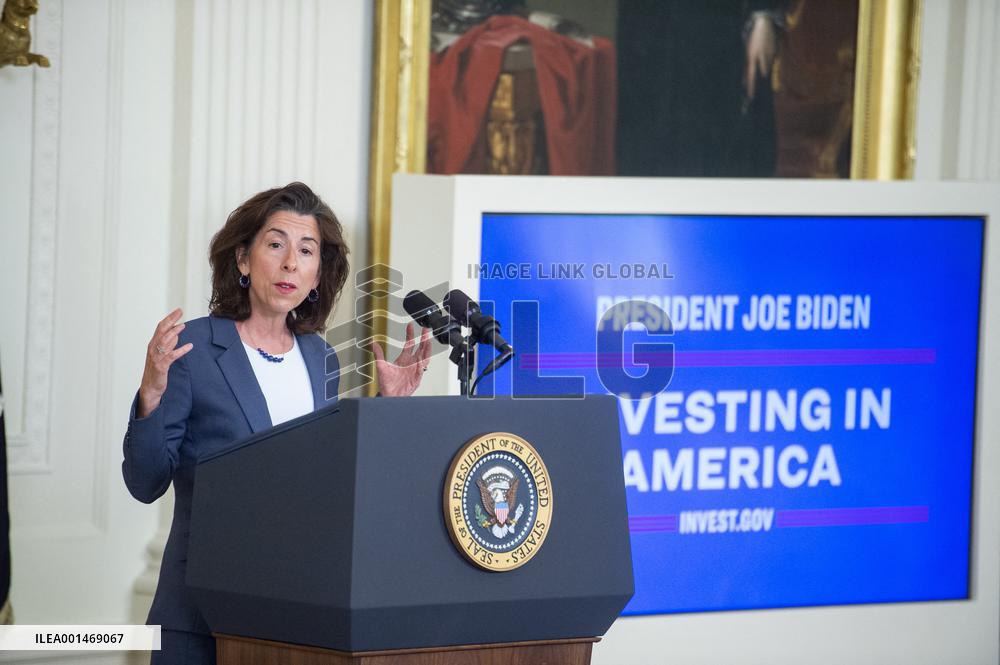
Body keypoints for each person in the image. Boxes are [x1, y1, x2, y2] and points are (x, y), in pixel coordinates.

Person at [121, 182, 431, 664]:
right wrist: (151, 394)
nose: (291, 262)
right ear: (243, 260)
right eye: (276, 244)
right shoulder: (194, 350)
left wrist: (385, 409)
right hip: (201, 618)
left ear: (316, 276)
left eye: (306, 251)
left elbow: (331, 481)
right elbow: (145, 482)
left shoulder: (320, 358)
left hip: (293, 615)